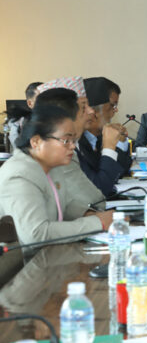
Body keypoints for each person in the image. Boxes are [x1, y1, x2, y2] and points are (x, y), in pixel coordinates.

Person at [0, 90, 112, 249]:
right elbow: (36, 234)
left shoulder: (51, 166)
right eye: (66, 140)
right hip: (25, 262)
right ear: (36, 142)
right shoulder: (19, 175)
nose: (72, 146)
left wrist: (89, 214)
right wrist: (97, 223)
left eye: (73, 140)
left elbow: (62, 205)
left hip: (51, 254)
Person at [34, 77, 105, 213]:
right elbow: (94, 200)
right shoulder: (55, 151)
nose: (91, 111)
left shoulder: (74, 143)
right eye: (83, 107)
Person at [76, 77, 131, 195]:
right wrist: (109, 148)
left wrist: (120, 143)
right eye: (112, 106)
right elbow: (99, 189)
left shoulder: (100, 136)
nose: (115, 111)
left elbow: (124, 168)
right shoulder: (75, 143)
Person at [5, 82, 41, 150]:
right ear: (30, 103)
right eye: (41, 99)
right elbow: (19, 148)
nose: (46, 103)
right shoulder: (18, 124)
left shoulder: (55, 120)